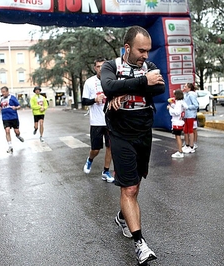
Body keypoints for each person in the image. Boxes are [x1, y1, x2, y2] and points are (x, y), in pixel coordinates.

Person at [100, 25, 165, 265]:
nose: (146, 56)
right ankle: (140, 243)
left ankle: (123, 216)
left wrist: (125, 90)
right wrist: (140, 82)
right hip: (120, 132)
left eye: (148, 51)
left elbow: (159, 88)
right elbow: (108, 86)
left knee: (135, 187)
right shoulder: (110, 66)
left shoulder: (151, 67)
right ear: (127, 48)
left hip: (143, 131)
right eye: (141, 50)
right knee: (128, 189)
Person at [81, 57, 114, 183]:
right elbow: (84, 101)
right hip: (96, 121)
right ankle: (90, 159)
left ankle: (106, 171)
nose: (101, 68)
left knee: (110, 147)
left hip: (110, 120)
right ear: (95, 68)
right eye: (98, 66)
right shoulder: (89, 82)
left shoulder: (111, 80)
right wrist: (95, 100)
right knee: (96, 149)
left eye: (103, 66)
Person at [0, 86, 24, 153]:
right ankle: (10, 146)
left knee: (17, 131)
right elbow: (0, 106)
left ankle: (18, 136)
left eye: (4, 92)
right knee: (7, 131)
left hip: (13, 117)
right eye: (2, 92)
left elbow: (19, 106)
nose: (3, 93)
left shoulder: (12, 98)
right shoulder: (1, 99)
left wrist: (15, 108)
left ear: (7, 91)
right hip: (5, 118)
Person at [167, 89, 188, 158]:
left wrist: (170, 108)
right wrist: (172, 105)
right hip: (180, 121)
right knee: (177, 136)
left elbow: (176, 112)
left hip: (177, 122)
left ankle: (180, 151)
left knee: (178, 136)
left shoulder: (179, 103)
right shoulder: (182, 102)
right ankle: (180, 150)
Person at [182, 83, 199, 153]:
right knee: (185, 130)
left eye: (185, 86)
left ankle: (191, 146)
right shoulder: (186, 95)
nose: (184, 87)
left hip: (190, 115)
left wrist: (187, 107)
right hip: (186, 115)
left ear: (189, 88)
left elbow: (196, 105)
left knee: (190, 130)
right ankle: (187, 145)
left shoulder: (191, 95)